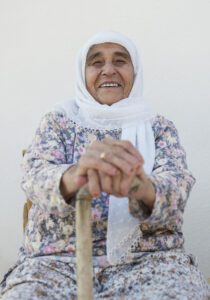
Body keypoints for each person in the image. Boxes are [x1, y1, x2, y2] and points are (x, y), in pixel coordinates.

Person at [0, 31, 209, 300]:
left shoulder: (158, 128)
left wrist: (138, 185)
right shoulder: (58, 123)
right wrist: (76, 175)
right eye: (96, 62)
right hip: (55, 265)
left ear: (135, 71)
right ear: (82, 72)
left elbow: (176, 188)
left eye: (120, 61)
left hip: (150, 264)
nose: (108, 70)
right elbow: (35, 176)